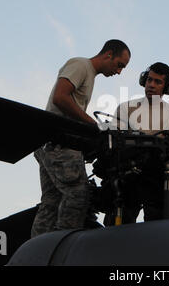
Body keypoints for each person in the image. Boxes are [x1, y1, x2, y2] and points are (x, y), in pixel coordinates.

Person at [31, 39, 131, 238]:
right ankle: (63, 246)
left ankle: (38, 251)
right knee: (78, 195)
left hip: (48, 143)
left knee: (52, 201)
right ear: (108, 54)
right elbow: (60, 97)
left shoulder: (89, 73)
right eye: (120, 65)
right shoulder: (80, 65)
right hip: (60, 144)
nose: (119, 72)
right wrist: (94, 126)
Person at [103, 62, 169, 226]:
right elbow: (116, 140)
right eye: (149, 80)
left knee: (157, 226)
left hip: (157, 179)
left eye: (158, 82)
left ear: (167, 87)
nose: (151, 85)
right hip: (127, 175)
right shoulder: (126, 108)